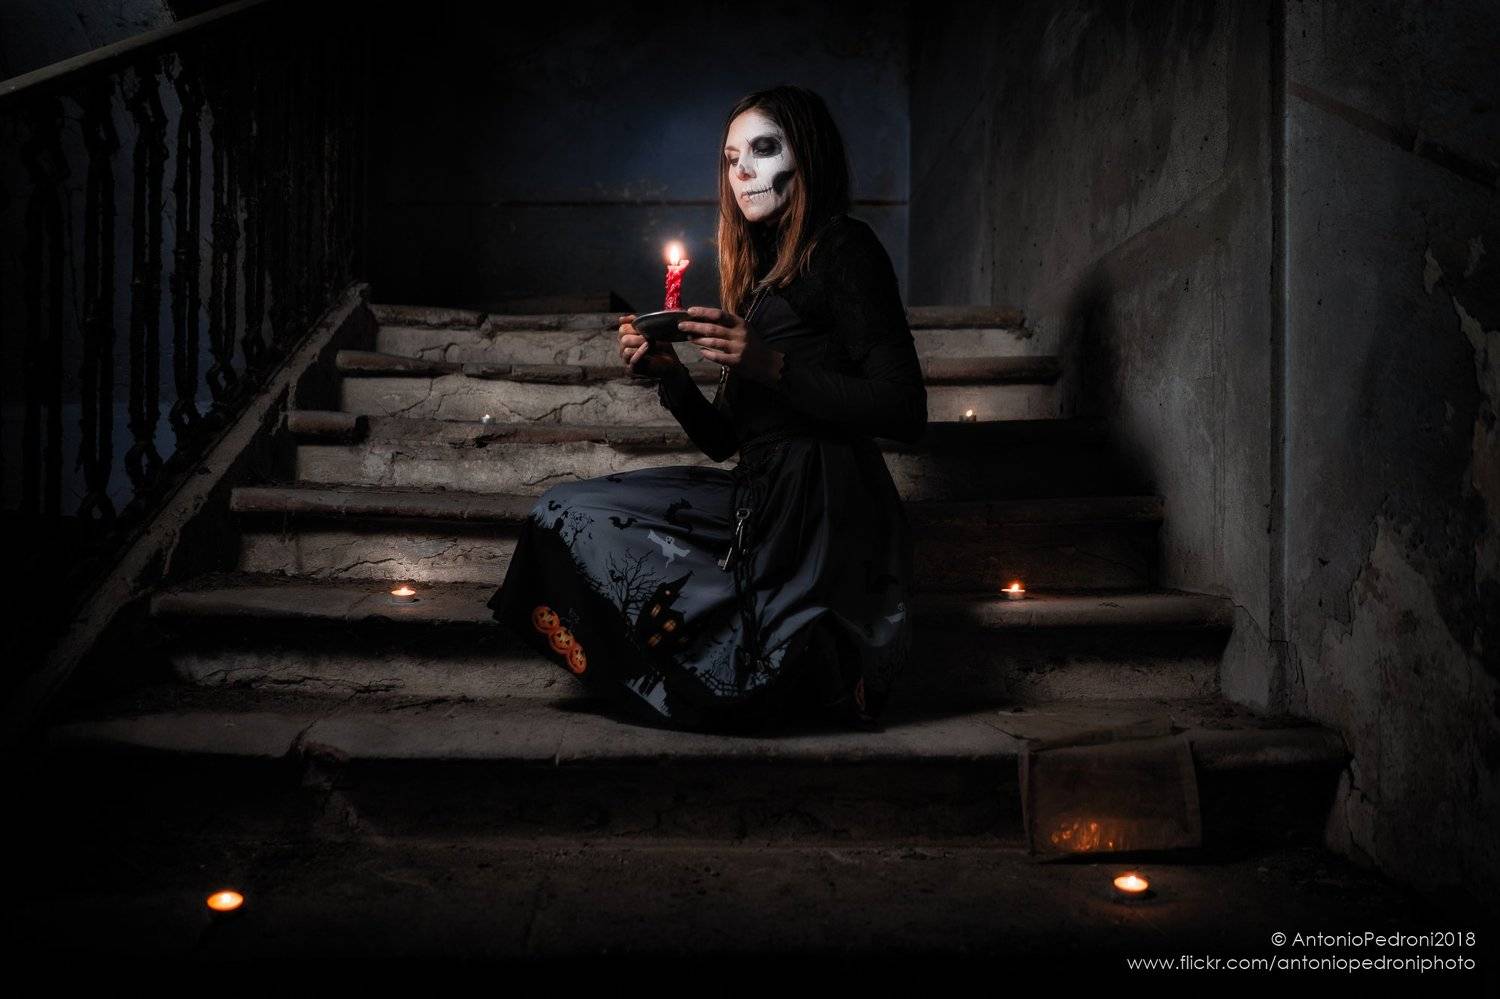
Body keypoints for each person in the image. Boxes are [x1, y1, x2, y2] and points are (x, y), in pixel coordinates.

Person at [486, 84, 927, 733]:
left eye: (763, 149)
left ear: (806, 158)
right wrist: (671, 377)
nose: (741, 170)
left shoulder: (843, 249)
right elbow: (724, 440)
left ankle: (829, 652)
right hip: (757, 494)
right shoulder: (760, 283)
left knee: (754, 671)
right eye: (729, 157)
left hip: (825, 507)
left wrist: (772, 365)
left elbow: (904, 408)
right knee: (562, 513)